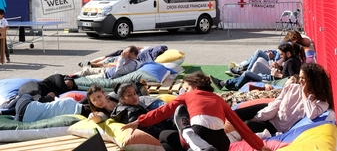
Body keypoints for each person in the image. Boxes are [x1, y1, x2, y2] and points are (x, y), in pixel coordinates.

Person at [121, 72, 270, 151]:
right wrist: (259, 145)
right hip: (222, 142)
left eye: (185, 88)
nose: (184, 91)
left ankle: (188, 134)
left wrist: (139, 121)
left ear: (193, 85)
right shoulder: (218, 99)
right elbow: (239, 124)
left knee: (173, 121)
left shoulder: (188, 96)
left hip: (199, 133)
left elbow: (163, 111)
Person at [235, 63, 334, 134]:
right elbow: (276, 104)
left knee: (247, 125)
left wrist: (305, 95)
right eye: (300, 77)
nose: (300, 81)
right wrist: (257, 117)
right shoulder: (292, 87)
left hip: (276, 126)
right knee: (238, 113)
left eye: (303, 78)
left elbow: (311, 114)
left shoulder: (321, 102)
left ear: (313, 81)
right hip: (271, 112)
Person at [210, 42, 302, 91]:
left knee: (247, 74)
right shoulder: (293, 60)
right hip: (274, 77)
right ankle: (225, 83)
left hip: (273, 80)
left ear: (288, 53)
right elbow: (289, 74)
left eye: (282, 55)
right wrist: (279, 68)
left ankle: (234, 85)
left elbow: (293, 78)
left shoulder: (291, 62)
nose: (281, 57)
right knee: (257, 63)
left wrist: (278, 75)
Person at [76, 46, 141, 79]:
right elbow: (117, 63)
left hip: (106, 76)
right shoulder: (128, 58)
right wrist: (120, 60)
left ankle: (73, 80)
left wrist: (122, 58)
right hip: (106, 70)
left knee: (87, 78)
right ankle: (71, 76)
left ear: (132, 54)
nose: (124, 53)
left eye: (126, 52)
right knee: (87, 70)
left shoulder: (133, 64)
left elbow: (119, 70)